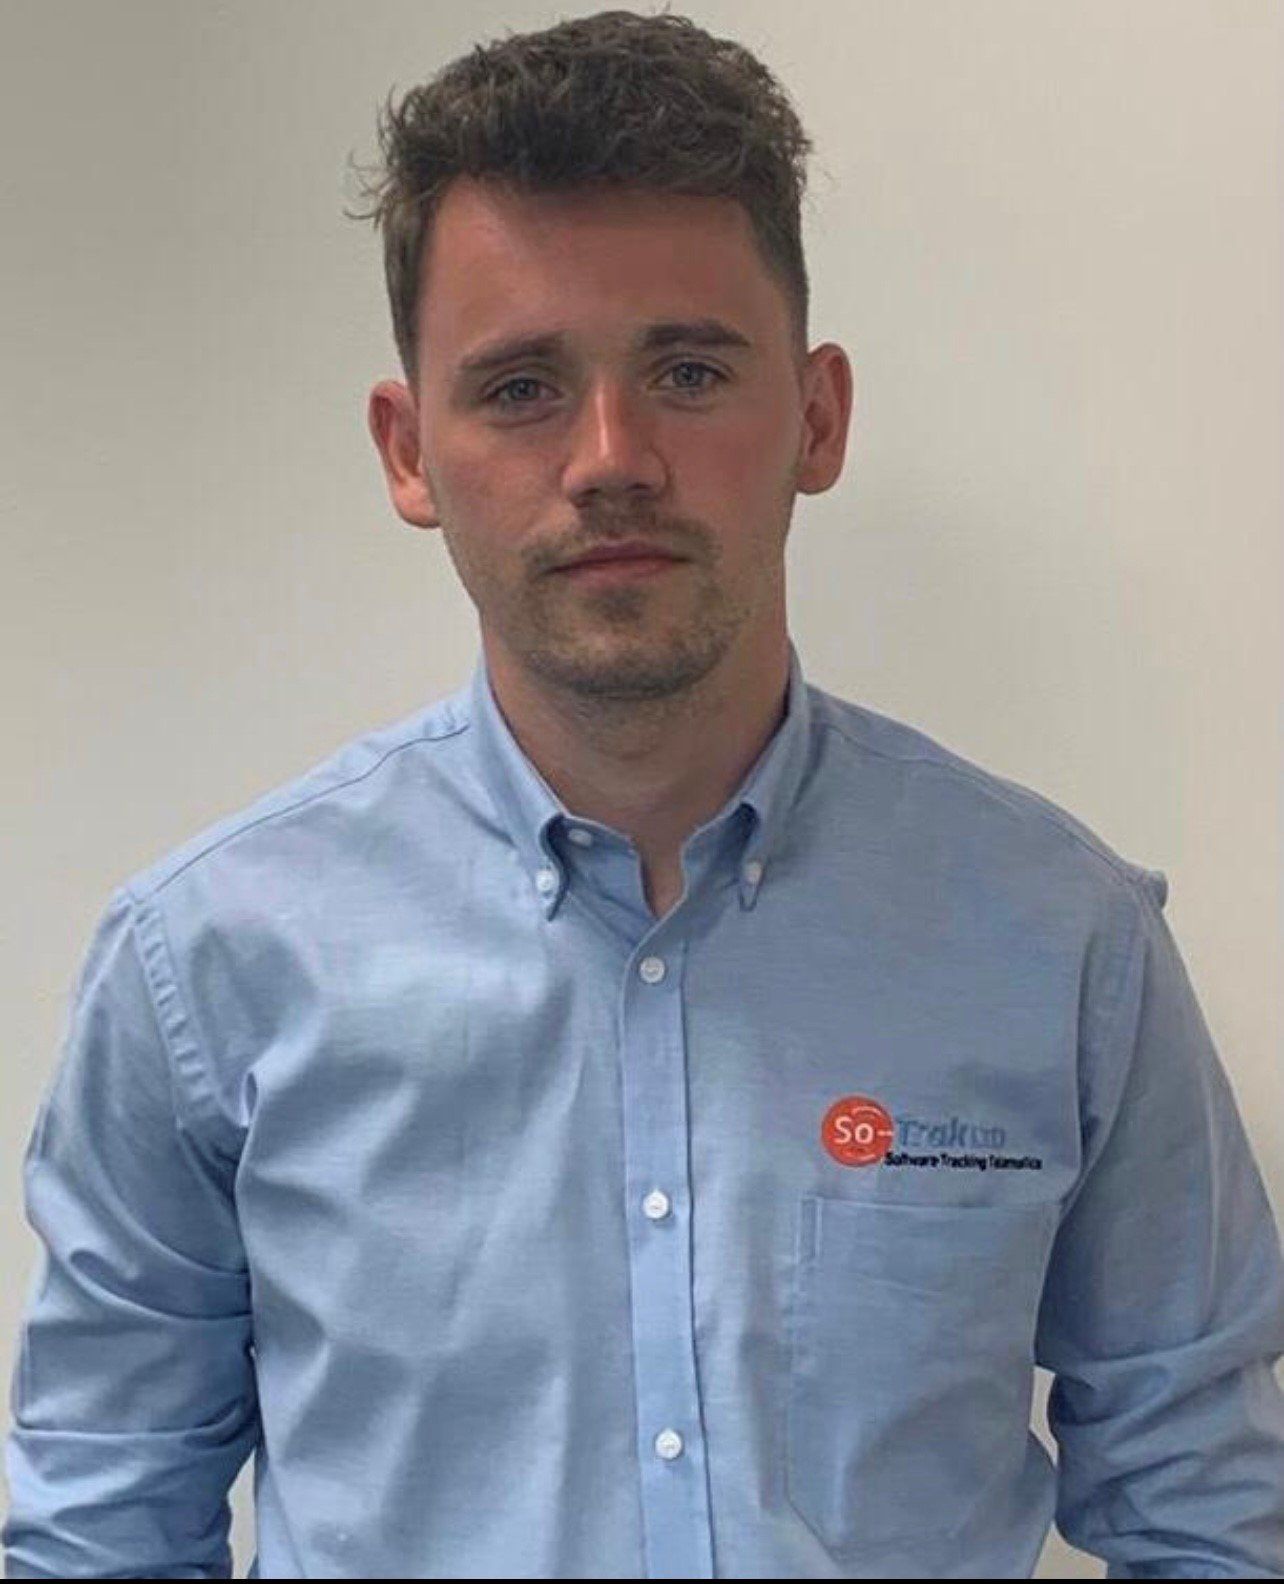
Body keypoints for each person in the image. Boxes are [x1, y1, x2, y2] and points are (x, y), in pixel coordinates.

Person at [5, 7, 1283, 1578]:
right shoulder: (203, 971)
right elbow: (101, 1534)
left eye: (687, 370)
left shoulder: (1064, 945)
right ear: (408, 451)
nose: (612, 457)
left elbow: (1207, 1514)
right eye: (521, 387)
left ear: (817, 416)